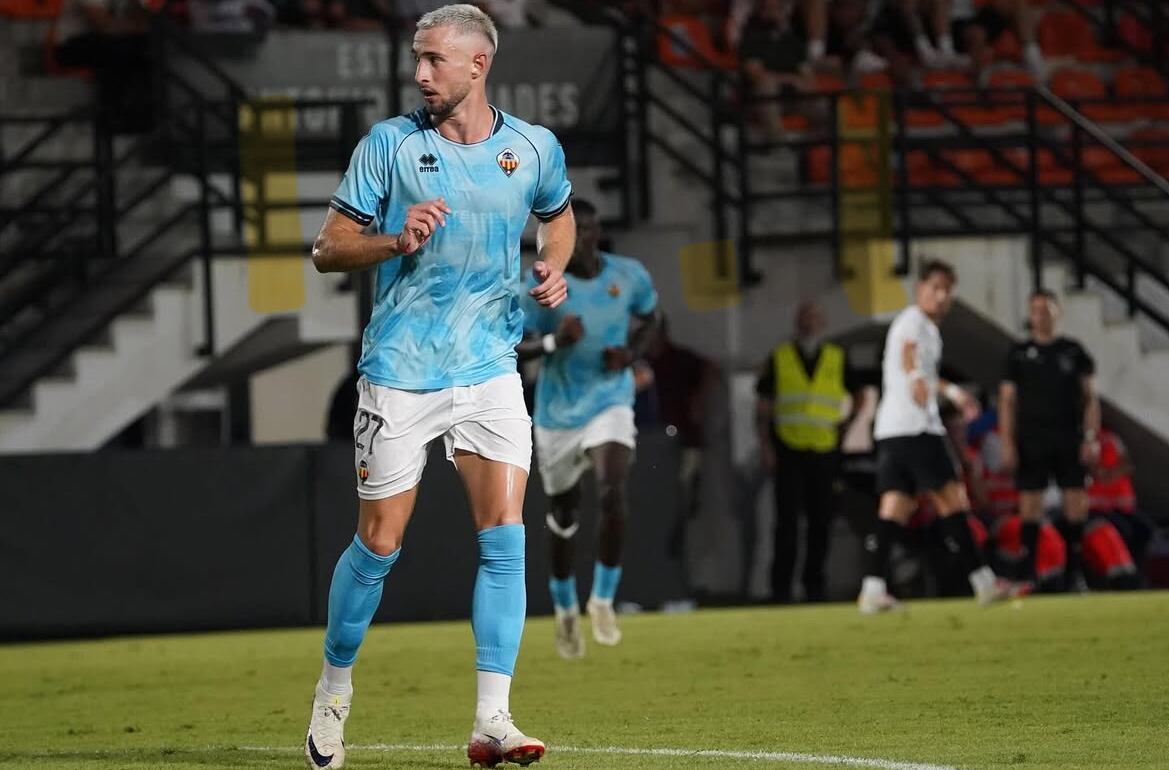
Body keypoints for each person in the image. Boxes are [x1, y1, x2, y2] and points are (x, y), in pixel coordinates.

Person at [302, 5, 575, 768]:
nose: (419, 74)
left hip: (489, 367)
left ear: (477, 65)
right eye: (417, 60)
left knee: (503, 538)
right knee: (379, 543)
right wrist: (394, 238)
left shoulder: (532, 147)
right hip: (401, 373)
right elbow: (326, 249)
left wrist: (553, 263)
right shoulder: (388, 146)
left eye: (433, 61)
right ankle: (332, 691)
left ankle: (493, 717)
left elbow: (558, 215)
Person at [516, 198, 660, 660]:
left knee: (612, 489)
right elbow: (516, 348)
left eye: (590, 231)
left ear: (597, 233)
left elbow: (652, 319)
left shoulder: (627, 275)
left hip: (609, 399)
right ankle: (564, 610)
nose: (583, 241)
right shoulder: (540, 287)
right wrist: (558, 338)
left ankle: (602, 599)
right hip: (558, 413)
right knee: (564, 515)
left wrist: (632, 356)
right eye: (573, 233)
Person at [857, 258, 1008, 614]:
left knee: (894, 509)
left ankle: (872, 590)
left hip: (893, 430)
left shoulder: (924, 327)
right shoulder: (915, 323)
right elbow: (911, 359)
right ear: (919, 289)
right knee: (952, 501)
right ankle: (984, 583)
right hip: (915, 427)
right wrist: (915, 382)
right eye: (934, 288)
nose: (940, 297)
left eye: (947, 291)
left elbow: (921, 368)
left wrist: (951, 393)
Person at [998, 289, 1099, 593]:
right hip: (1031, 439)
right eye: (1035, 309)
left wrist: (1091, 437)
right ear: (1029, 315)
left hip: (1068, 436)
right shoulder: (1018, 354)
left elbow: (1091, 398)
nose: (1040, 315)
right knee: (1030, 504)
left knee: (1075, 503)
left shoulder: (1073, 351)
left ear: (1059, 311)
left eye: (1046, 308)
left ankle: (1074, 573)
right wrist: (1007, 442)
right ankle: (1029, 572)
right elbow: (1006, 402)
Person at [755, 300, 856, 603]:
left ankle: (815, 585)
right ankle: (781, 588)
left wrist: (844, 430)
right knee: (786, 522)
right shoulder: (780, 357)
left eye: (814, 318)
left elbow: (858, 393)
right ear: (797, 323)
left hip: (824, 449)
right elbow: (764, 406)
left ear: (822, 323)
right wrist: (765, 445)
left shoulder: (837, 357)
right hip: (788, 447)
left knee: (820, 521)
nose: (809, 324)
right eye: (804, 318)